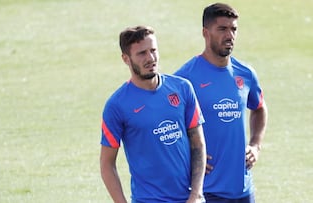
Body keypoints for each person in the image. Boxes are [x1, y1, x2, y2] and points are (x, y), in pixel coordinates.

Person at [100, 25, 207, 203]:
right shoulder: (116, 105)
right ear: (126, 59)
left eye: (153, 50)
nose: (150, 58)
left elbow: (198, 145)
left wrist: (196, 194)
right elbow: (107, 164)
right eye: (142, 53)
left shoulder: (182, 88)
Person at [174, 3, 268, 203]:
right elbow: (168, 125)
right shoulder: (185, 79)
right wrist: (187, 157)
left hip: (243, 189)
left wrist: (255, 145)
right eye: (222, 29)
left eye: (233, 29)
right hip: (206, 191)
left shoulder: (246, 74)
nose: (230, 35)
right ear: (205, 33)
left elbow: (259, 108)